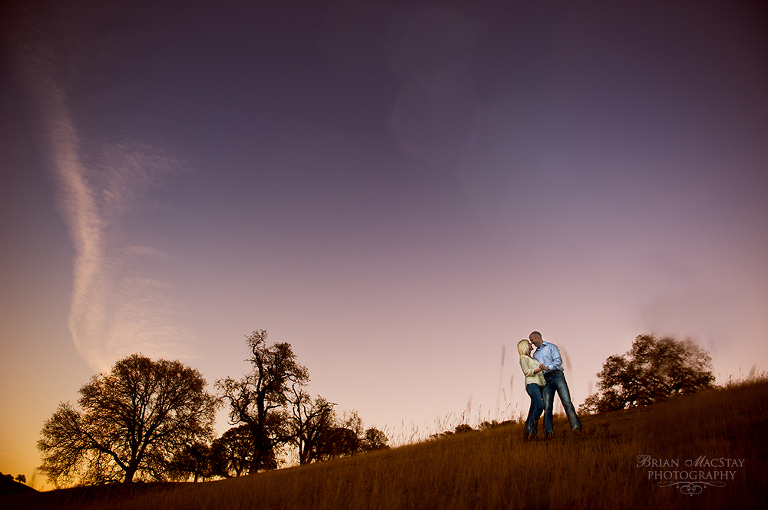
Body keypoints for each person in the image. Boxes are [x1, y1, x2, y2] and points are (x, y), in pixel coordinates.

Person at [529, 331, 582, 438]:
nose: (532, 343)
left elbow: (558, 361)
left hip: (557, 376)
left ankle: (576, 428)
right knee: (547, 407)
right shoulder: (535, 355)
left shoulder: (551, 347)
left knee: (566, 402)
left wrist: (548, 367)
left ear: (537, 337)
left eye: (532, 340)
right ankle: (548, 433)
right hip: (546, 380)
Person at [517, 339, 545, 441]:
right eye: (529, 343)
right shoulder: (523, 358)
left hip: (539, 385)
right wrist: (539, 369)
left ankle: (528, 434)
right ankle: (530, 430)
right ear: (525, 346)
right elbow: (527, 372)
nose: (531, 344)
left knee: (533, 410)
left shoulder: (532, 359)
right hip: (532, 384)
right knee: (540, 406)